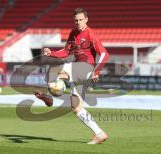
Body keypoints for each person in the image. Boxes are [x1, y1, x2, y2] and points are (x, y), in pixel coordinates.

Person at [34, 8, 109, 144]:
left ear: (86, 19)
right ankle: (99, 133)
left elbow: (104, 54)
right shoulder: (73, 33)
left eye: (81, 20)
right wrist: (51, 53)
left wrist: (96, 71)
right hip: (78, 69)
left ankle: (50, 97)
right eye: (76, 20)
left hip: (85, 68)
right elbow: (65, 51)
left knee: (54, 70)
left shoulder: (90, 34)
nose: (78, 22)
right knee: (76, 107)